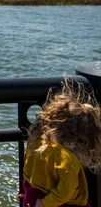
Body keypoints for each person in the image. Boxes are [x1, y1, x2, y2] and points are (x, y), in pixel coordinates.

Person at [19, 78, 101, 207]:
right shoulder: (68, 159)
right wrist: (45, 203)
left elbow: (28, 170)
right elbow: (66, 192)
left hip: (34, 195)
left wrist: (27, 190)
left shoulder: (35, 142)